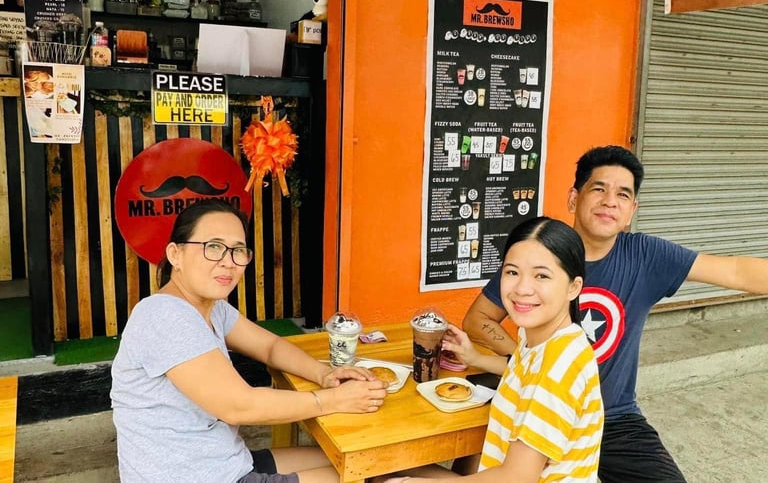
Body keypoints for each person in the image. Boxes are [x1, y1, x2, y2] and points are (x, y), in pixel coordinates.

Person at [462, 145, 768, 483]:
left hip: (615, 420)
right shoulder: (540, 255)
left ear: (632, 210)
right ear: (573, 198)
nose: (610, 201)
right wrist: (530, 364)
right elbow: (478, 319)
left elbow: (736, 271)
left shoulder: (646, 256)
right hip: (538, 406)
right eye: (599, 189)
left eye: (623, 194)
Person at [110, 198, 388, 483]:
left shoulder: (211, 308)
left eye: (238, 250)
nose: (228, 262)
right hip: (197, 477)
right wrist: (333, 400)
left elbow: (270, 347)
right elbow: (238, 405)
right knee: (371, 475)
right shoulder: (163, 314)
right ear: (175, 254)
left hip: (226, 463)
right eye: (213, 247)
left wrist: (324, 374)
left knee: (374, 461)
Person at [382, 216, 604, 483]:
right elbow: (524, 371)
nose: (522, 288)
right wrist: (475, 357)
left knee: (384, 475)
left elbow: (517, 477)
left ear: (573, 287)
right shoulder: (547, 339)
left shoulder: (559, 368)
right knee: (388, 465)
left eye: (541, 276)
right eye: (512, 272)